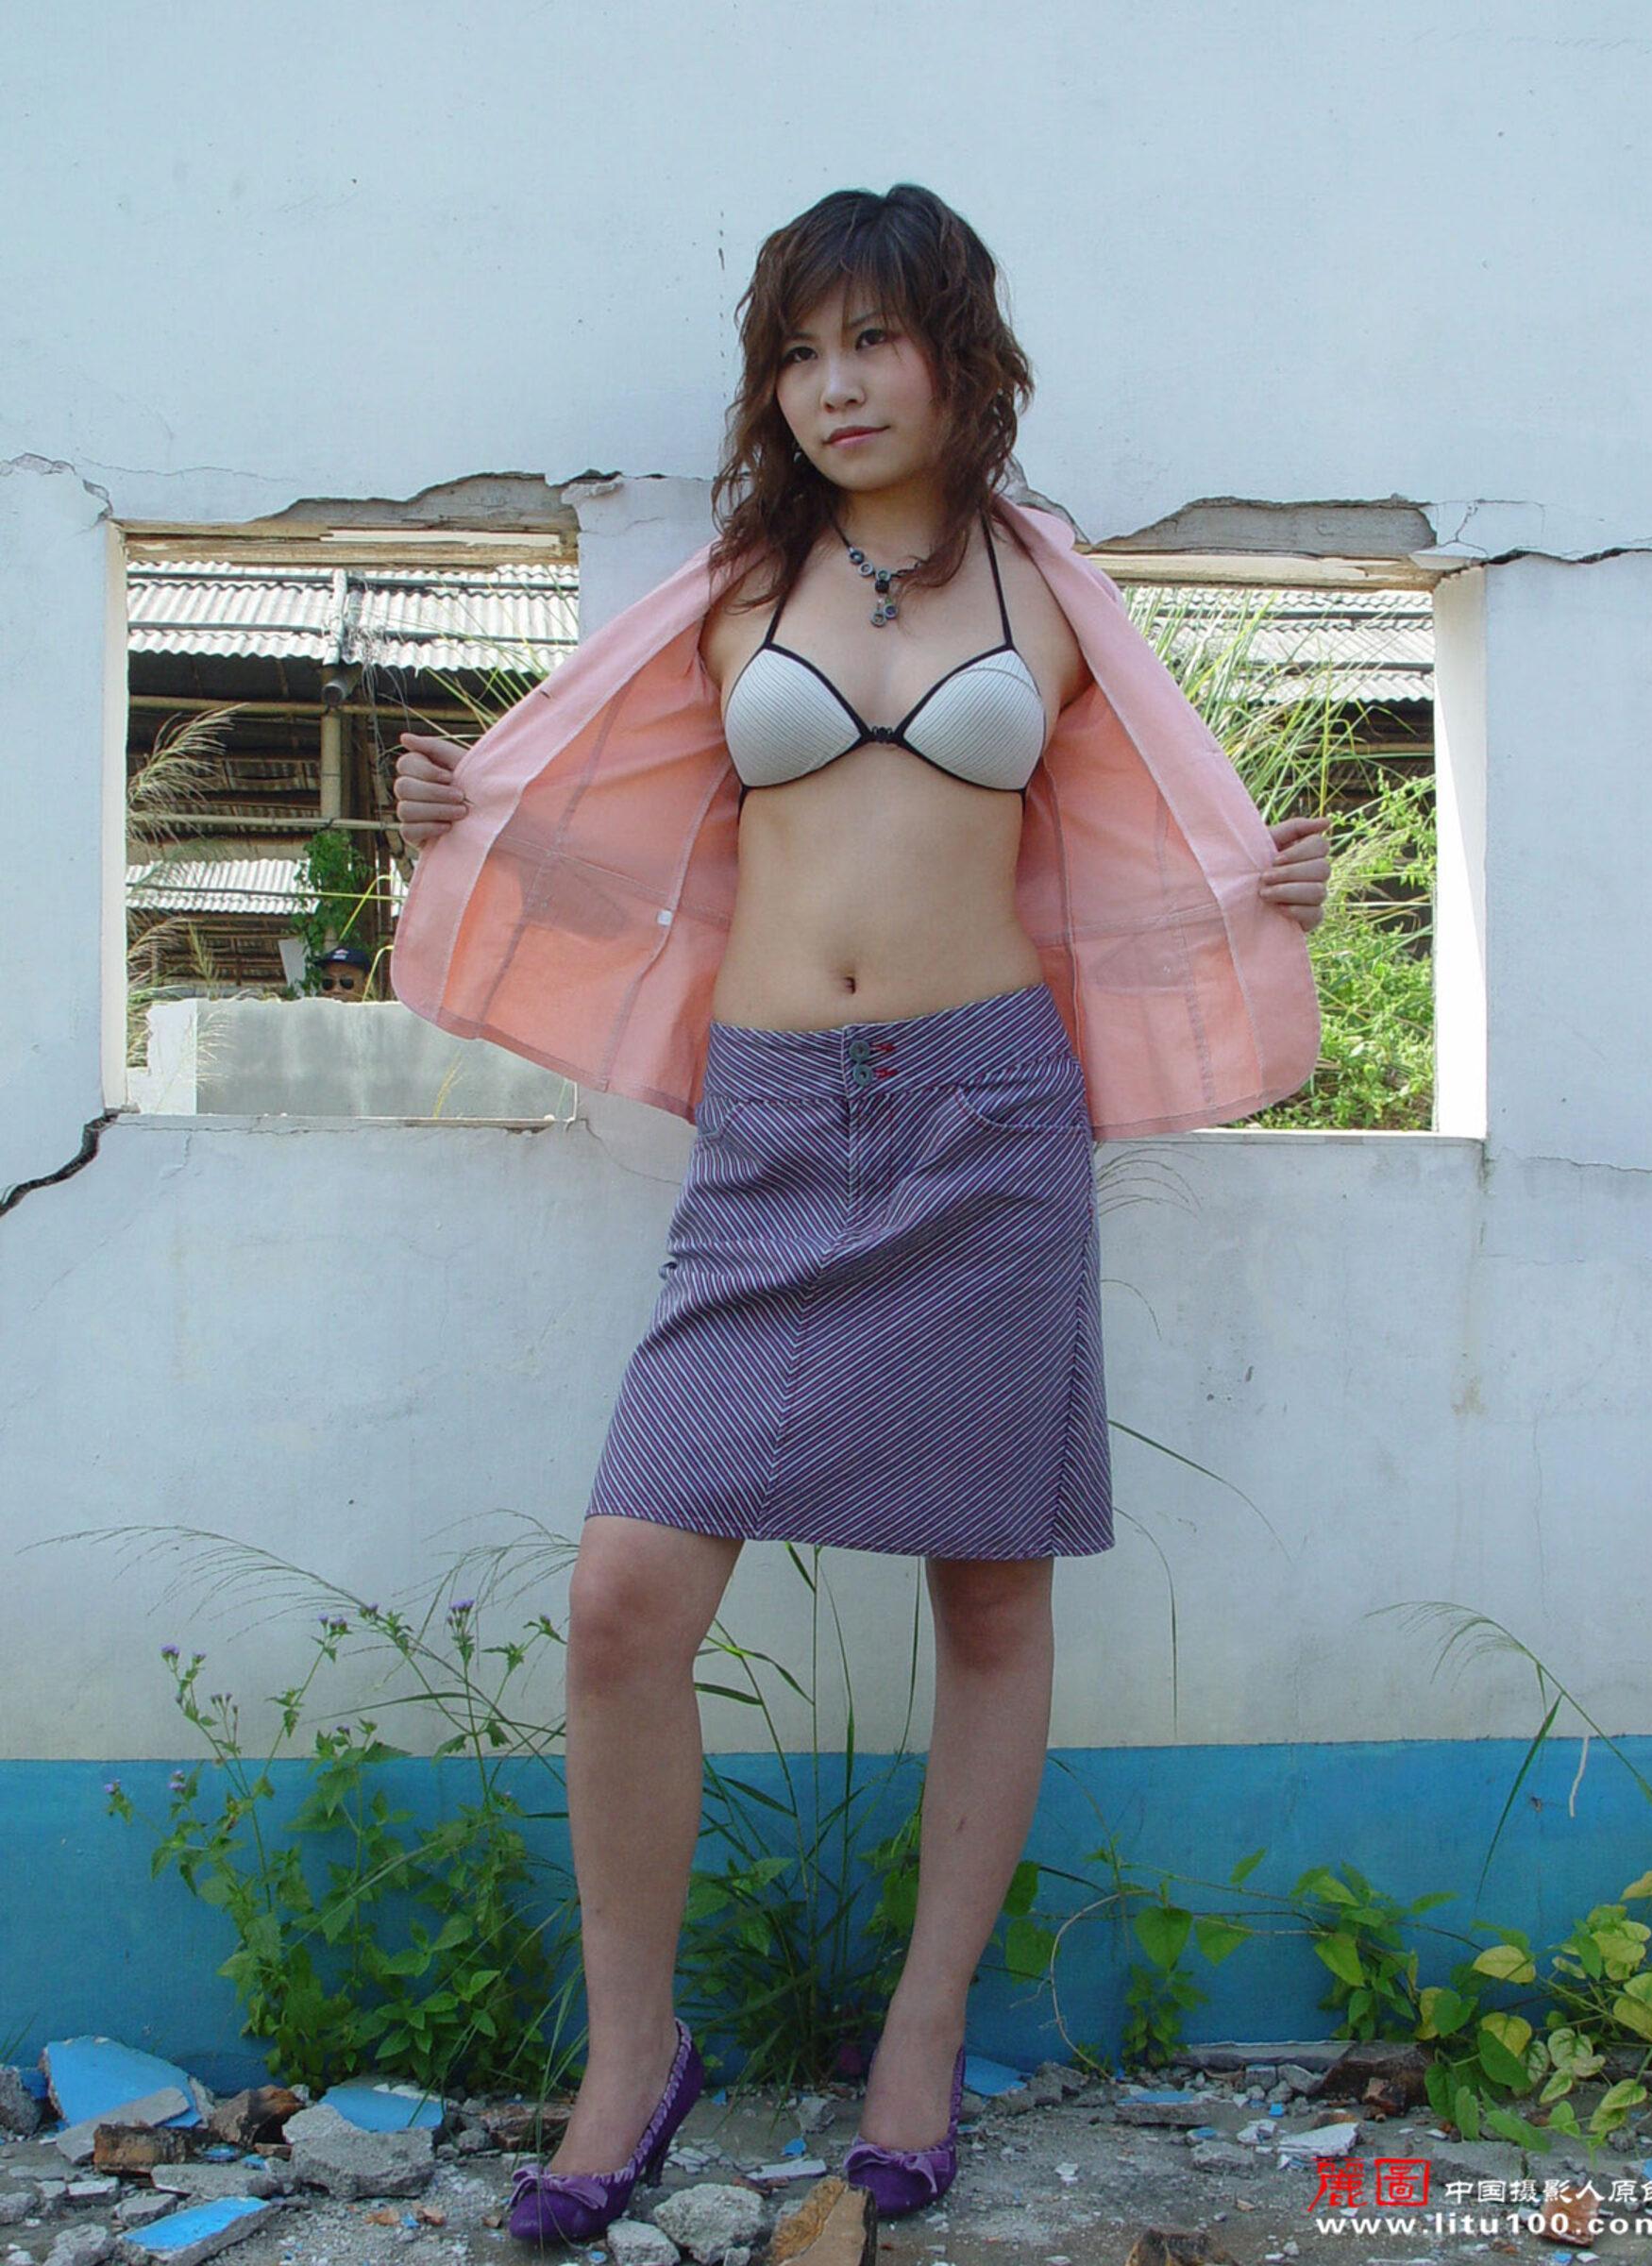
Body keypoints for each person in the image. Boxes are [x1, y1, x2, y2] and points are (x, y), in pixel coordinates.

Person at [392, 184, 1331, 2241]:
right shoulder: (739, 586)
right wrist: (462, 822)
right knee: (624, 1600)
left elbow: (1147, 845)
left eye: (873, 340)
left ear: (957, 359)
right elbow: (621, 837)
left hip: (987, 1119)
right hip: (773, 1134)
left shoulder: (1047, 587)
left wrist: (1270, 894)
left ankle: (921, 2035)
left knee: (987, 1594)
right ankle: (633, 2057)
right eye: (801, 349)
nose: (835, 383)